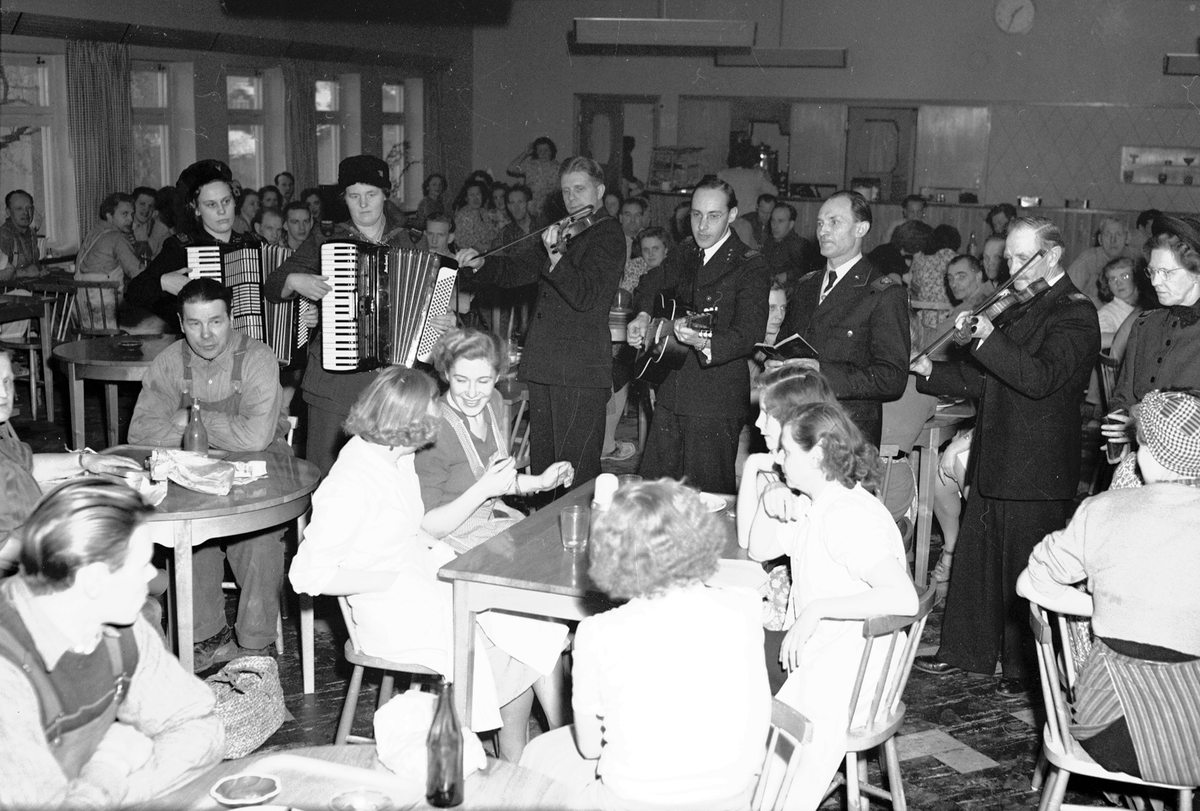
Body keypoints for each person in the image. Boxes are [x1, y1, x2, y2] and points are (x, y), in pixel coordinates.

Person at [289, 366, 568, 759]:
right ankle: (515, 756)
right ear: (406, 424)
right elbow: (306, 576)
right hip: (387, 607)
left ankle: (553, 748)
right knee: (500, 644)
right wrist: (390, 580)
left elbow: (409, 527)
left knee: (525, 619)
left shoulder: (395, 456)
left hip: (418, 576)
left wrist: (446, 558)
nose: (437, 424)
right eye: (430, 417)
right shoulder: (348, 485)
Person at [911, 216, 1099, 695]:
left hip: (1036, 465)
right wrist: (931, 371)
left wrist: (986, 337)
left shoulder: (1075, 312)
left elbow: (1038, 378)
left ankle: (1026, 673)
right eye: (1008, 258)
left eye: (1021, 258)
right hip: (997, 453)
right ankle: (964, 652)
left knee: (1024, 570)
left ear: (1052, 256)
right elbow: (988, 379)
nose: (1011, 268)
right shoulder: (1023, 304)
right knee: (976, 563)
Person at [521, 480, 771, 811]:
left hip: (633, 803)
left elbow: (590, 747)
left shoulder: (597, 633)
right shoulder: (745, 608)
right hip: (737, 801)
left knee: (536, 755)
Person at [0, 479, 224, 808]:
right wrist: (109, 766)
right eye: (142, 565)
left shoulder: (117, 622)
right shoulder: (8, 672)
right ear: (93, 580)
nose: (151, 577)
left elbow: (200, 727)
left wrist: (117, 789)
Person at [1017, 388, 1200, 786]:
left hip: (1110, 728)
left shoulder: (1101, 510)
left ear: (1147, 454)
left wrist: (1099, 606)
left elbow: (1030, 582)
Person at [745, 401, 918, 811]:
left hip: (853, 670)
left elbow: (904, 597)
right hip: (830, 652)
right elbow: (758, 549)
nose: (778, 459)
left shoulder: (846, 515)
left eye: (787, 452)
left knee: (728, 675)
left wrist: (817, 609)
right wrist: (770, 491)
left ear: (818, 454)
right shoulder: (818, 502)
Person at [128, 278, 292, 671]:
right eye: (195, 323)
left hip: (259, 471)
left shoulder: (258, 358)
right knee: (191, 534)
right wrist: (211, 431)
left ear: (231, 318)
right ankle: (206, 636)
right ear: (180, 323)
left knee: (258, 538)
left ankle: (255, 645)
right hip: (195, 473)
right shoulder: (170, 361)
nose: (206, 335)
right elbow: (140, 432)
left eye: (216, 322)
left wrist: (192, 419)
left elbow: (255, 438)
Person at [457, 156, 625, 492]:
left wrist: (557, 256)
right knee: (545, 469)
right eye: (566, 191)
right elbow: (517, 269)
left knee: (575, 474)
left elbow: (586, 296)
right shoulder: (565, 231)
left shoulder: (608, 234)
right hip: (546, 364)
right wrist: (481, 265)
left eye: (580, 189)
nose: (571, 198)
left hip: (579, 370)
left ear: (600, 191)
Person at [264, 155, 422, 474]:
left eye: (371, 194)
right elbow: (273, 285)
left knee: (389, 480)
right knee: (328, 477)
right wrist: (296, 280)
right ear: (344, 198)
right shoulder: (326, 238)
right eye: (354, 196)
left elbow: (427, 304)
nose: (363, 204)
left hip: (393, 385)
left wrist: (440, 321)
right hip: (335, 384)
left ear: (385, 194)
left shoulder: (410, 240)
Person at [626, 176, 770, 494]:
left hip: (715, 399)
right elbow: (653, 280)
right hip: (673, 390)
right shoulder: (687, 251)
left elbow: (748, 333)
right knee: (654, 495)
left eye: (713, 216)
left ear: (732, 215)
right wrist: (643, 314)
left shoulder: (750, 264)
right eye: (696, 215)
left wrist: (703, 341)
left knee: (708, 499)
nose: (702, 226)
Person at [772, 190, 910, 446]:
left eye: (834, 222)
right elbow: (786, 344)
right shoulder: (806, 286)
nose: (823, 231)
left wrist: (823, 373)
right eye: (820, 223)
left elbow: (892, 377)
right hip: (797, 421)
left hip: (847, 432)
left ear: (861, 229)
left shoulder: (884, 293)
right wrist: (778, 365)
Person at [416, 328, 574, 550]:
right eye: (461, 380)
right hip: (445, 540)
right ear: (448, 375)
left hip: (486, 519)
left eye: (483, 381)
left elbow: (496, 480)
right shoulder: (436, 429)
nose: (472, 393)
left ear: (497, 377)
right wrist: (484, 490)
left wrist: (541, 482)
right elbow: (425, 528)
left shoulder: (493, 402)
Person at [0, 350, 143, 573]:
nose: (3, 393)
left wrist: (84, 460)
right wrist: (62, 557)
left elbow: (29, 466)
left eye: (6, 381)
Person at [126, 160, 263, 331]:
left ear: (235, 202)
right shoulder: (182, 248)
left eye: (226, 201)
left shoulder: (255, 243)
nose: (221, 210)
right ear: (196, 208)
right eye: (211, 204)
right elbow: (133, 293)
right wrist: (163, 282)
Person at [1103, 216, 1200, 451]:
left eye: (1166, 272)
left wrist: (1138, 427)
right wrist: (1119, 436)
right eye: (1152, 271)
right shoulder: (1145, 325)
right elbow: (1122, 398)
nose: (1156, 281)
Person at [1066, 217, 1134, 308]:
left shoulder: (1136, 258)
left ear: (1127, 238)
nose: (1113, 240)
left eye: (1118, 235)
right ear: (1100, 239)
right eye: (1107, 235)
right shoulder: (1088, 259)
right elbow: (1066, 291)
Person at [1096, 256, 1142, 351]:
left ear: (1136, 278)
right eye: (1112, 279)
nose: (1118, 283)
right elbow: (1101, 339)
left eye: (1125, 276)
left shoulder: (1148, 305)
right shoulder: (1107, 313)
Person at [506, 136, 559, 219]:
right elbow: (511, 169)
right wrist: (525, 154)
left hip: (550, 211)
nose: (543, 153)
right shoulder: (530, 165)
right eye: (540, 150)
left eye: (546, 150)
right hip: (531, 211)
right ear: (535, 152)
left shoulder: (558, 168)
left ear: (551, 151)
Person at [761, 203, 813, 284]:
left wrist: (787, 276)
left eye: (780, 221)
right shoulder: (769, 242)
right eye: (773, 220)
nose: (775, 226)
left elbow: (808, 271)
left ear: (791, 224)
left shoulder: (799, 245)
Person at [0, 189, 41, 281]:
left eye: (29, 208)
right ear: (8, 212)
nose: (25, 213)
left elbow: (35, 266)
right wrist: (25, 272)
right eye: (19, 209)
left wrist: (40, 270)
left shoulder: (31, 233)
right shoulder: (4, 235)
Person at [453, 179, 497, 254]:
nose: (476, 198)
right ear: (466, 198)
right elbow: (476, 246)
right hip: (471, 256)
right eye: (472, 195)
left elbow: (493, 235)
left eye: (478, 194)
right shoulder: (463, 216)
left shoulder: (483, 212)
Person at [131, 186, 170, 262]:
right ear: (133, 204)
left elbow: (164, 259)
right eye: (142, 204)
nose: (146, 209)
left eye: (150, 206)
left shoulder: (161, 230)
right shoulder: (123, 226)